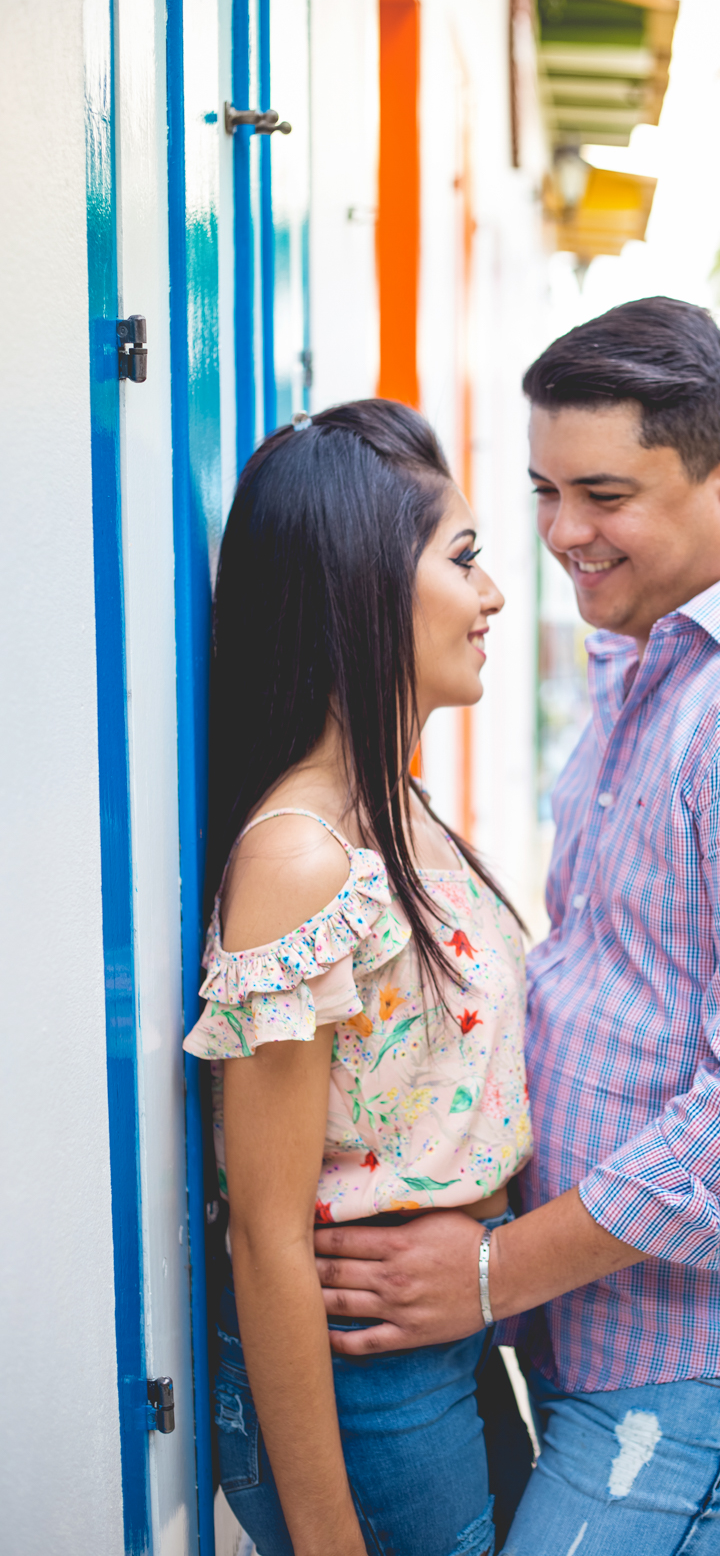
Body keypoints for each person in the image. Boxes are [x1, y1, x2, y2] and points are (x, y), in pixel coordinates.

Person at [315, 299, 720, 1554]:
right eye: (545, 492)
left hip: (716, 1350)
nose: (561, 534)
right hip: (605, 1315)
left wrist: (489, 1272)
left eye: (604, 494)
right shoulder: (653, 664)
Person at [184, 400, 533, 1556]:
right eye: (464, 557)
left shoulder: (396, 805)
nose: (493, 594)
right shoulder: (301, 860)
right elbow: (266, 1234)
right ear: (363, 586)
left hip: (446, 1344)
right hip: (370, 1393)